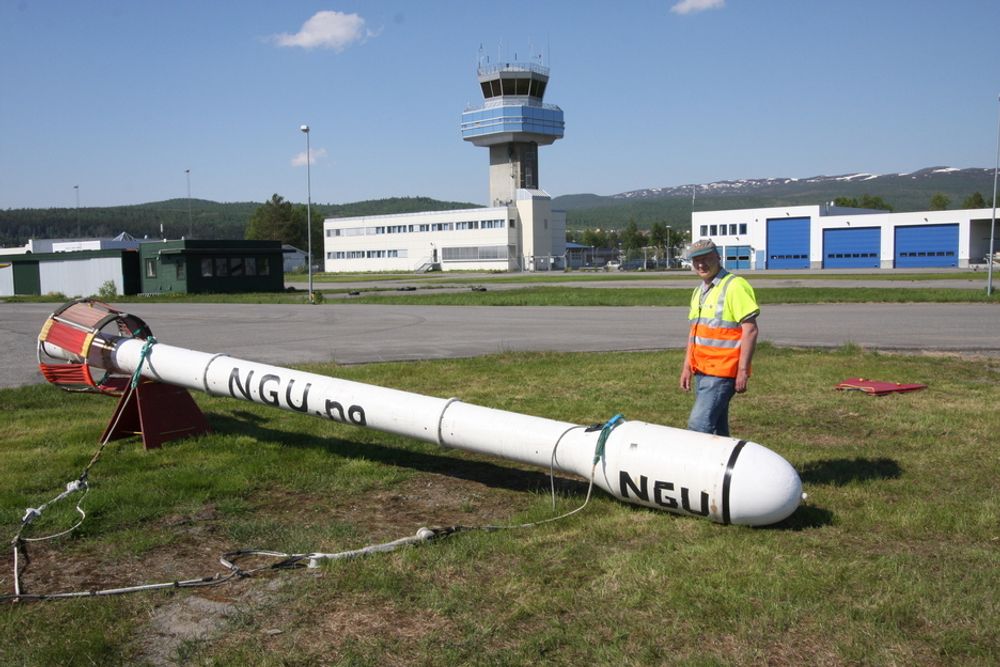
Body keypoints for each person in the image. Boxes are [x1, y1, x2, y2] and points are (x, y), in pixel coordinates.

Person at [679, 239, 759, 437]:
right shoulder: (699, 291)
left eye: (706, 258)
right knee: (716, 428)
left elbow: (750, 330)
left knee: (699, 425)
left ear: (718, 257)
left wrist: (742, 371)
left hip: (723, 372)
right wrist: (687, 367)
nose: (701, 264)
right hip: (702, 371)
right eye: (696, 260)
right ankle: (726, 466)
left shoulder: (734, 286)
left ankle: (697, 467)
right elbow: (694, 334)